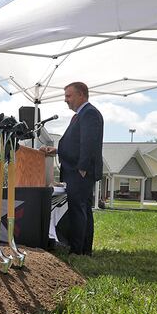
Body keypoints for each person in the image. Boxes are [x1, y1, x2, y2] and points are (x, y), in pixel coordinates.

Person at [41, 82, 103, 255]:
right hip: (75, 169)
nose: (65, 100)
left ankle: (78, 250)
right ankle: (83, 249)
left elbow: (88, 142)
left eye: (69, 96)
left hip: (79, 171)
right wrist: (57, 150)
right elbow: (75, 144)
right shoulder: (80, 114)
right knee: (83, 210)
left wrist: (82, 168)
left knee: (78, 209)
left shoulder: (89, 113)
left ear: (81, 94)